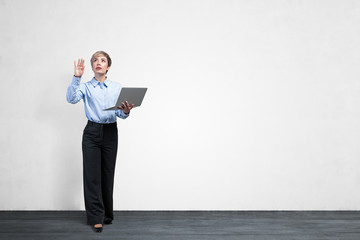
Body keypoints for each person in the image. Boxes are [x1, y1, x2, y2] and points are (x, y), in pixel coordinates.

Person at [66, 51, 133, 233]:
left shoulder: (117, 87)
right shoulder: (86, 87)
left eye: (103, 60)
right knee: (92, 176)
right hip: (92, 132)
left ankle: (106, 215)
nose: (98, 63)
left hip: (111, 132)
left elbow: (120, 114)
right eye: (95, 60)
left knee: (107, 174)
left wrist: (126, 111)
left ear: (108, 66)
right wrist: (76, 78)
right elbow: (71, 99)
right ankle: (96, 217)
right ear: (92, 66)